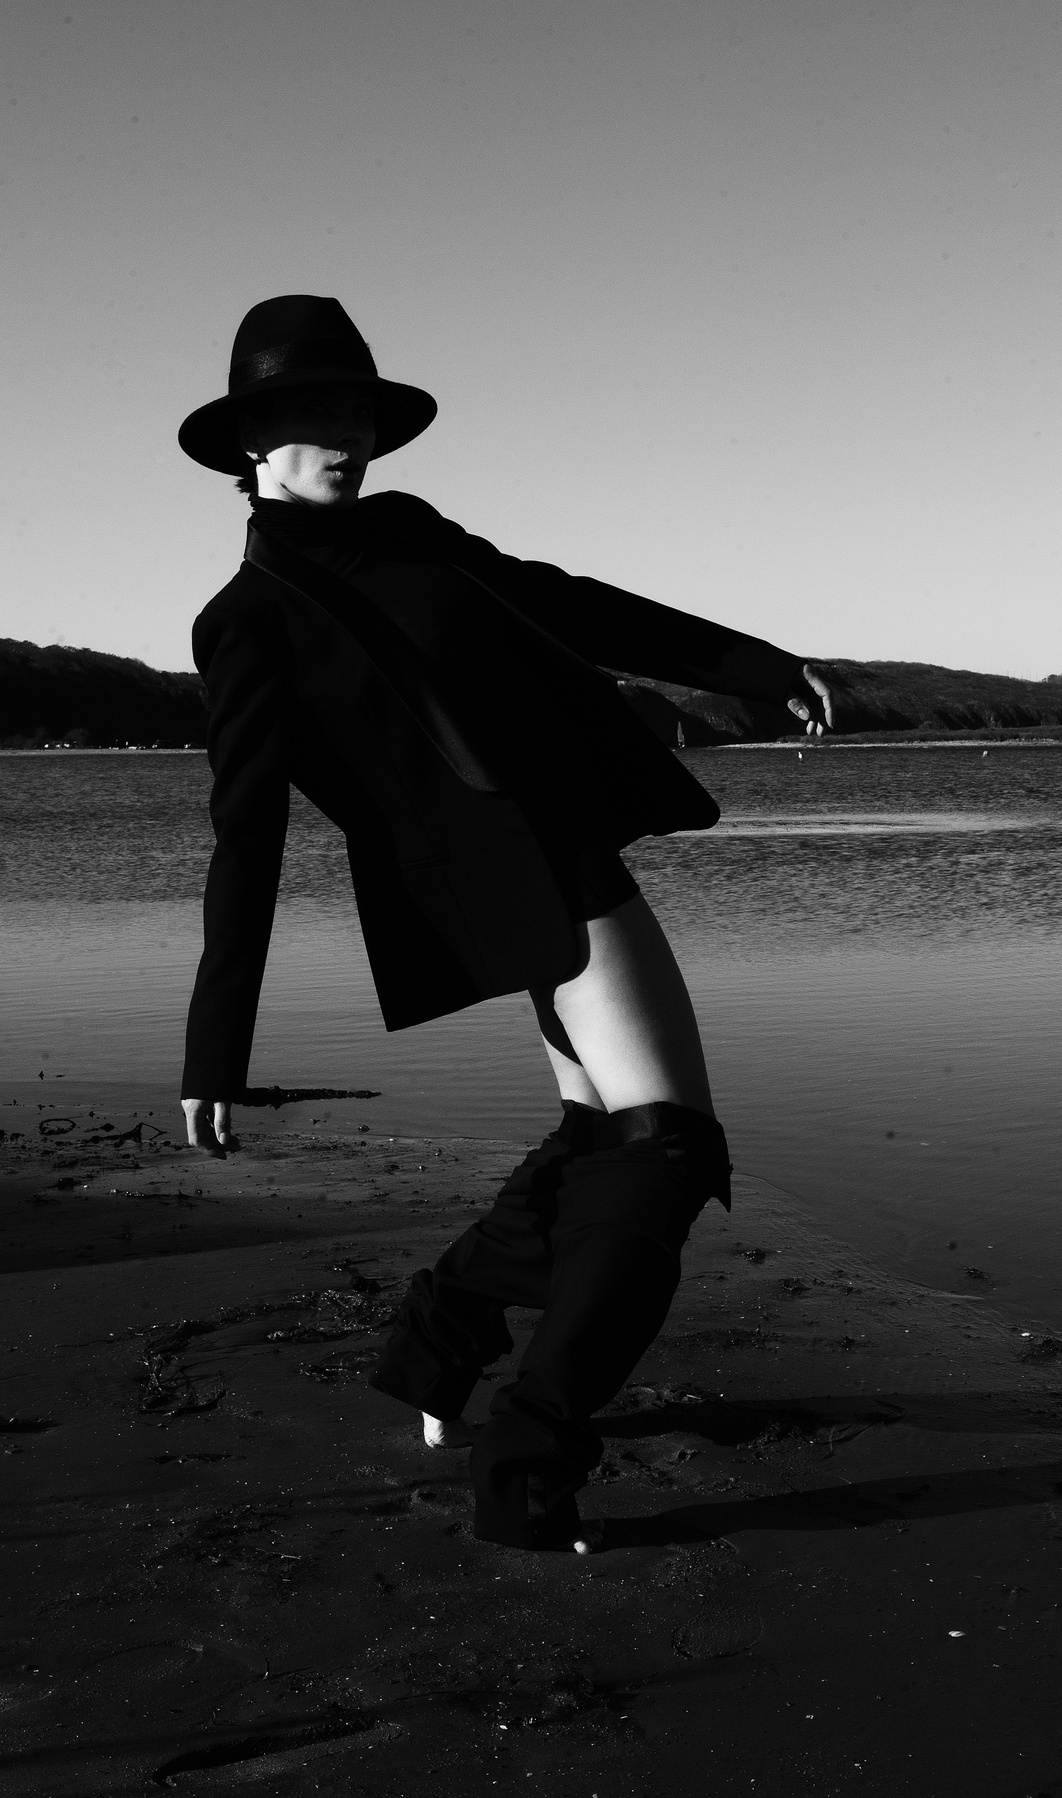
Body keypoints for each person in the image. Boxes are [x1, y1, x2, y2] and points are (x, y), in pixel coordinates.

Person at [177, 294, 835, 1554]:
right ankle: (528, 1459)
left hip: (546, 852)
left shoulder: (413, 533)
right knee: (668, 1150)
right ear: (250, 442)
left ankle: (439, 1339)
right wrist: (218, 1044)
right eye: (314, 413)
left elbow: (564, 601)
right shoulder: (245, 617)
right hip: (503, 887)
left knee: (603, 1139)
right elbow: (245, 837)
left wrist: (751, 660)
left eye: (359, 412)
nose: (346, 436)